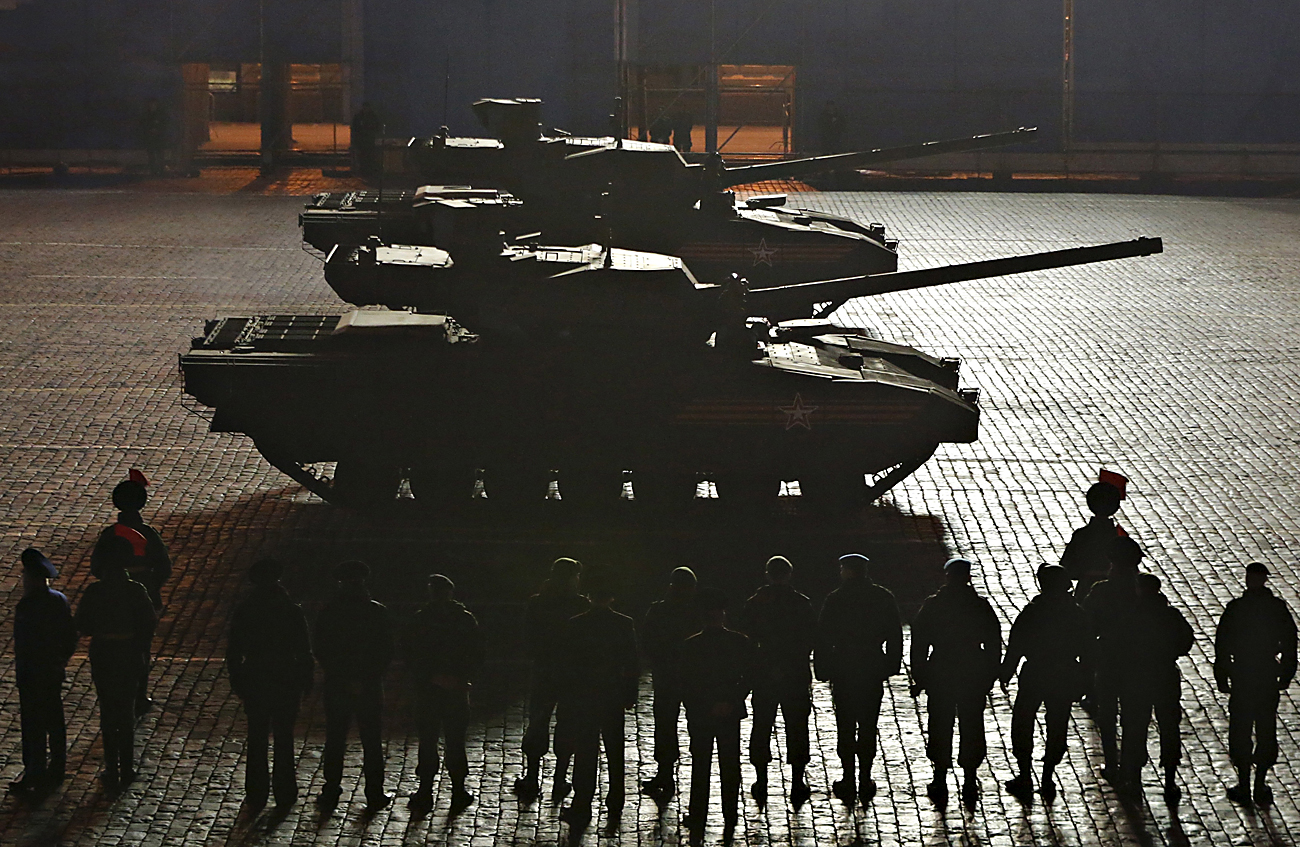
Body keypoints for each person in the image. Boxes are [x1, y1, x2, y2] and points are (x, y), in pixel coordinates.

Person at [910, 558, 1002, 809]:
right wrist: (990, 674)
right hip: (972, 670)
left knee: (940, 722)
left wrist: (920, 676)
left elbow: (919, 644)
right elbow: (994, 643)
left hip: (941, 670)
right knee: (972, 723)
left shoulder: (933, 605)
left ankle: (940, 774)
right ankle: (970, 777)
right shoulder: (979, 606)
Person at [815, 553, 903, 806]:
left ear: (845, 571)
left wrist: (823, 668)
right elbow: (894, 635)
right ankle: (865, 776)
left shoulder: (836, 599)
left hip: (843, 668)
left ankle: (847, 776)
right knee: (867, 724)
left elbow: (822, 637)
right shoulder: (882, 597)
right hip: (871, 667)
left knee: (845, 724)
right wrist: (891, 665)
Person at [226, 559, 314, 808]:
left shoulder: (246, 610)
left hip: (256, 677)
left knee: (257, 737)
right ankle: (285, 790)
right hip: (286, 677)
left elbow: (234, 651)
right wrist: (306, 678)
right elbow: (304, 649)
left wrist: (238, 680)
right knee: (284, 737)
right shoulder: (291, 610)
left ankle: (256, 790)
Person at [555, 567, 639, 831]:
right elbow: (632, 663)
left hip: (585, 697)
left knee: (586, 752)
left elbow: (567, 666)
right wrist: (629, 694)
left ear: (589, 596)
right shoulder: (624, 624)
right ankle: (616, 801)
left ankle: (582, 804)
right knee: (615, 751)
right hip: (612, 694)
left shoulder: (576, 624)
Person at [999, 564, 1091, 801]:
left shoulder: (1033, 611)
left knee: (1023, 720)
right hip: (1064, 672)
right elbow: (1089, 650)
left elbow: (1016, 643)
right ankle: (1048, 775)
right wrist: (1087, 679)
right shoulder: (1076, 613)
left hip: (1035, 671)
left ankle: (1024, 773)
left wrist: (1006, 671)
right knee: (1057, 723)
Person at [75, 531, 157, 787]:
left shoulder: (95, 592)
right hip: (129, 653)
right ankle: (127, 766)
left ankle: (112, 767)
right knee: (126, 711)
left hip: (103, 654)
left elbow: (82, 625)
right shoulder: (136, 590)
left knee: (108, 711)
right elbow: (148, 624)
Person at [314, 560, 395, 811]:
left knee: (336, 738)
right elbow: (386, 650)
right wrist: (367, 678)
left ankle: (331, 789)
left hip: (338, 684)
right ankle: (374, 791)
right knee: (371, 740)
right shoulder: (377, 611)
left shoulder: (330, 612)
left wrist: (342, 677)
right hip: (369, 685)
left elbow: (322, 649)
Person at [1215, 561, 1297, 807]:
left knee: (1240, 728)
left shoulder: (1236, 608)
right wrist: (1286, 672)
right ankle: (1260, 783)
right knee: (1265, 727)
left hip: (1242, 673)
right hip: (1266, 673)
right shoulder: (1276, 609)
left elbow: (1222, 644)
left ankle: (1243, 783)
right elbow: (1290, 641)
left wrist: (1222, 673)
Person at [91, 469, 171, 715]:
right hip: (145, 598)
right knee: (142, 651)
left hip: (113, 600)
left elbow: (96, 568)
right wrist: (152, 586)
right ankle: (140, 696)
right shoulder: (148, 534)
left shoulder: (110, 535)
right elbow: (164, 566)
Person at [738, 556, 816, 807]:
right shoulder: (802, 604)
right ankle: (796, 781)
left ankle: (761, 780)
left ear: (767, 575)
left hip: (764, 674)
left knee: (761, 726)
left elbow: (745, 639)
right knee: (797, 727)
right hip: (794, 673)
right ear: (789, 575)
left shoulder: (754, 604)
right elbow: (810, 639)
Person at [404, 573, 484, 813]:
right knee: (455, 741)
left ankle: (425, 791)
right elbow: (477, 653)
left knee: (428, 741)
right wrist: (461, 678)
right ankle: (458, 791)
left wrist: (431, 677)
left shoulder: (421, 620)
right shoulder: (465, 619)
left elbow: (412, 655)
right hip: (456, 689)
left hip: (428, 689)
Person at [679, 587, 753, 846]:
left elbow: (687, 683)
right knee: (730, 764)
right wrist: (730, 702)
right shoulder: (740, 642)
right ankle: (730, 812)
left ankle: (698, 812)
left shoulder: (691, 645)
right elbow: (748, 678)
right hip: (729, 712)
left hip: (701, 713)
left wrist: (705, 704)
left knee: (701, 765)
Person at [514, 557, 589, 800]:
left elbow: (527, 639)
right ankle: (559, 779)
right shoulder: (580, 605)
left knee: (538, 721)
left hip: (544, 671)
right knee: (567, 724)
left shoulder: (538, 603)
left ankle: (533, 777)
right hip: (572, 674)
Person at [1118, 573, 1193, 802]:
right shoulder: (1170, 615)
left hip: (1136, 676)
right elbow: (1186, 641)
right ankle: (1170, 779)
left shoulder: (1130, 614)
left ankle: (1134, 777)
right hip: (1165, 674)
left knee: (1134, 726)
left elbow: (1117, 645)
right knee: (1169, 726)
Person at [10, 549, 77, 795]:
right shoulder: (57, 600)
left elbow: (25, 644)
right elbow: (70, 636)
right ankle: (52, 770)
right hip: (48, 671)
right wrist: (60, 661)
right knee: (52, 722)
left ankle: (36, 772)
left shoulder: (28, 605)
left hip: (33, 673)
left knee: (34, 725)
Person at [1080, 536, 1143, 781]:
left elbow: (1086, 625)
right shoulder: (1142, 593)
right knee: (1134, 715)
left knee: (1107, 714)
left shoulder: (1101, 591)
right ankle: (1132, 762)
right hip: (1137, 661)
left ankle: (1112, 762)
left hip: (1108, 659)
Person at [639, 566, 702, 800]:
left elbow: (647, 643)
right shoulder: (698, 613)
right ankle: (698, 771)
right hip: (694, 678)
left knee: (665, 725)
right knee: (697, 725)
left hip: (666, 677)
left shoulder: (659, 611)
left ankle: (665, 772)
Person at [1060, 481, 1123, 597]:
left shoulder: (1081, 535)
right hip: (1116, 593)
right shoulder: (1119, 537)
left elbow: (1067, 567)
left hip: (1085, 589)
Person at [350, 102, 382, 177]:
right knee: (362, 157)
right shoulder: (359, 117)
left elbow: (377, 126)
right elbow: (354, 128)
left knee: (369, 156)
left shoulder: (372, 116)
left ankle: (368, 171)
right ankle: (363, 171)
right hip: (362, 140)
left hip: (369, 140)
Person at [140, 97, 168, 175]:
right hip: (150, 138)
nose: (152, 106)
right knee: (151, 155)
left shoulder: (160, 114)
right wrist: (149, 130)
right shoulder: (147, 114)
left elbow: (164, 124)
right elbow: (143, 125)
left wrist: (158, 130)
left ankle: (161, 170)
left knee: (160, 154)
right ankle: (153, 170)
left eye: (154, 104)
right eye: (151, 104)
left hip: (159, 138)